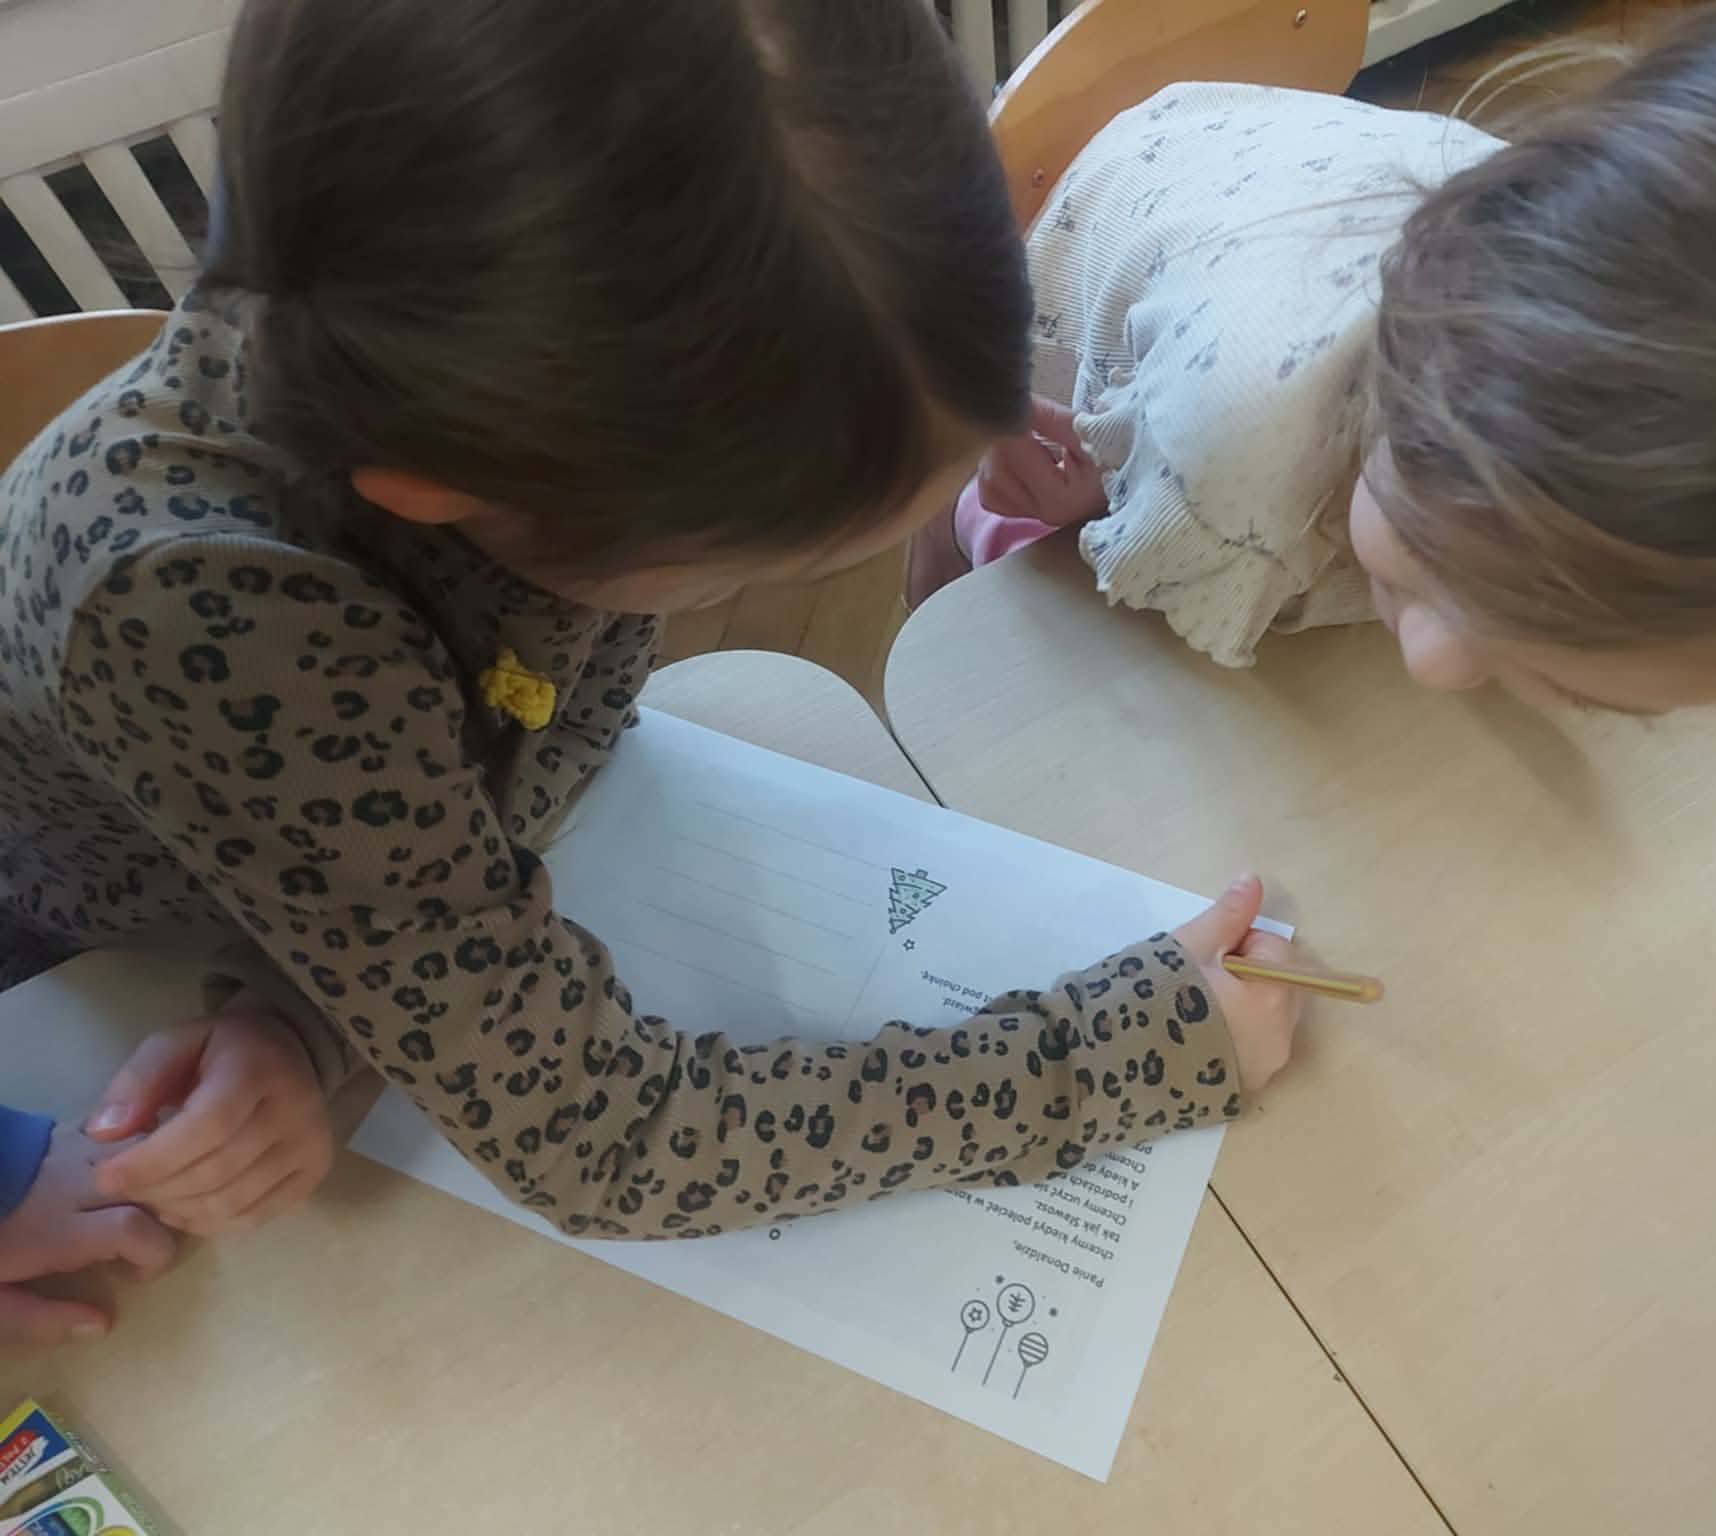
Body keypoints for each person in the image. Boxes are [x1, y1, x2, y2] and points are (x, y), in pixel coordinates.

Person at [0, 0, 1302, 1350]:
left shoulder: (442, 323)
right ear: (444, 492)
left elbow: (499, 772)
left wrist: (921, 398)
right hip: (85, 968)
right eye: (737, 564)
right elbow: (602, 1139)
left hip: (333, 891)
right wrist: (1104, 1057)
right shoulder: (221, 623)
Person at [918, 0, 1716, 726]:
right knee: (985, 598)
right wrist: (1080, 510)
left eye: (1586, 689)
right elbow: (1135, 567)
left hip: (1246, 242)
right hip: (1063, 344)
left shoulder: (1574, 265)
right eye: (1424, 565)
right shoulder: (1240, 447)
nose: (1436, 666)